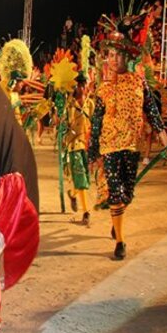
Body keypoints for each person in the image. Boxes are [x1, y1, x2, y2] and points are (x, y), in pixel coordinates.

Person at [88, 31, 167, 260]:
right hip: (109, 145)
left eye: (117, 55)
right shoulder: (103, 88)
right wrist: (93, 153)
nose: (113, 59)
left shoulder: (138, 82)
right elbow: (96, 122)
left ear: (127, 57)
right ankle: (121, 241)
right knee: (116, 191)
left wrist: (164, 138)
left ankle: (118, 219)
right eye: (110, 55)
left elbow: (151, 111)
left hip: (133, 145)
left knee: (127, 194)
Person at [65, 74, 94, 225]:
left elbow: (94, 124)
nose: (82, 88)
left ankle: (72, 193)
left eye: (84, 85)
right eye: (79, 85)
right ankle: (86, 212)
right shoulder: (68, 104)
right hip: (73, 144)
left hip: (86, 143)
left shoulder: (90, 103)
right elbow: (62, 123)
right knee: (81, 176)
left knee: (84, 178)